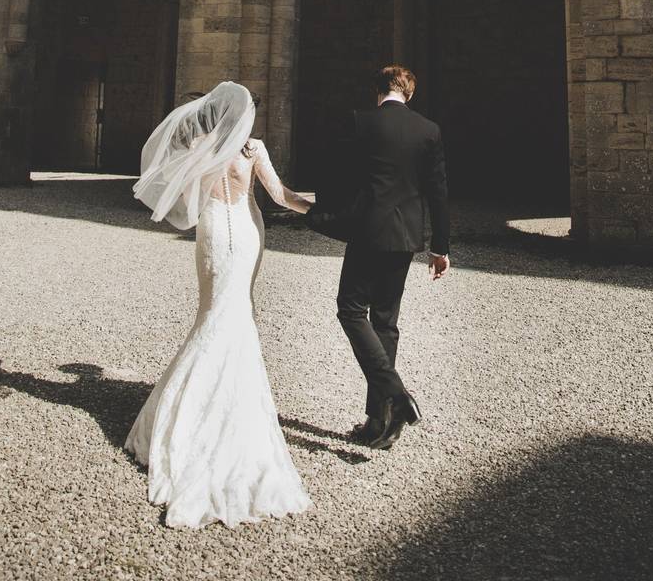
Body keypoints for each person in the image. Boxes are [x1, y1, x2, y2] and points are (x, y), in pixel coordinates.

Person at [125, 81, 313, 529]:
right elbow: (281, 196)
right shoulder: (252, 150)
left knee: (211, 315)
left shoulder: (199, 145)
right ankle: (222, 415)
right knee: (235, 315)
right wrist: (325, 213)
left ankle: (180, 413)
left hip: (212, 232)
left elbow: (181, 193)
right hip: (246, 232)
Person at [306, 65, 450, 451]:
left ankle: (396, 397)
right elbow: (438, 192)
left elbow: (334, 171)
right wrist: (441, 247)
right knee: (385, 322)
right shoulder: (428, 129)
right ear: (410, 93)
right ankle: (377, 420)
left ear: (378, 91)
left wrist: (326, 214)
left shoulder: (361, 122)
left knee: (351, 310)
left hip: (368, 232)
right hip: (405, 238)